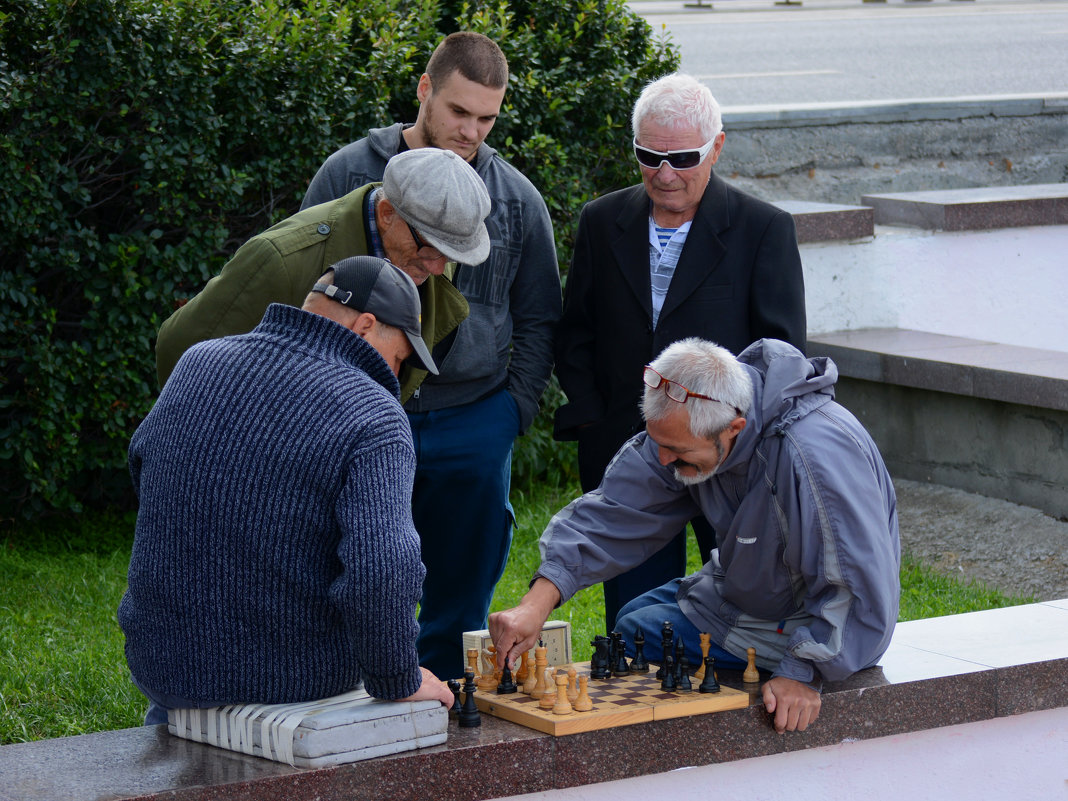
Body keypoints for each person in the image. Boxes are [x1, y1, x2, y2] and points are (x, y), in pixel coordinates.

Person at [301, 32, 562, 678]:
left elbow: (539, 316)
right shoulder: (346, 176)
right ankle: (350, 693)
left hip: (475, 420)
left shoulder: (517, 200)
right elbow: (303, 291)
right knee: (347, 568)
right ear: (424, 89)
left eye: (486, 118)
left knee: (461, 590)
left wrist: (512, 412)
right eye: (457, 111)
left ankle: (444, 704)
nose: (470, 130)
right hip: (358, 412)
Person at [490, 338, 899, 734]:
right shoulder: (690, 422)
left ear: (734, 428)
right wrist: (536, 603)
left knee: (638, 635)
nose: (664, 460)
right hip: (745, 589)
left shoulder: (815, 457)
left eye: (677, 452)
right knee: (632, 621)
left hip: (817, 620)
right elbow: (614, 511)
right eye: (658, 443)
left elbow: (859, 591)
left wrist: (804, 672)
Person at [121, 256, 454, 726]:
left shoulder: (199, 360)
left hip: (164, 668)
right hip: (288, 685)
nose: (396, 376)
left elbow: (144, 468)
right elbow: (380, 571)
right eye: (399, 357)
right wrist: (399, 677)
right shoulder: (372, 412)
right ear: (364, 326)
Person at [552, 72, 808, 629]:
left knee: (743, 613)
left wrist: (741, 441)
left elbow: (783, 356)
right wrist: (597, 420)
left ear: (717, 146)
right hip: (628, 444)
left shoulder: (763, 229)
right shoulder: (601, 221)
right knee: (635, 621)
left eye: (683, 158)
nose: (664, 174)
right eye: (649, 155)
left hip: (728, 457)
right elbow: (576, 332)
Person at [155, 147, 491, 389]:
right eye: (430, 249)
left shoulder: (428, 254)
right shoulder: (281, 261)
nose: (436, 269)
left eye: (450, 256)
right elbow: (179, 352)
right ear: (388, 213)